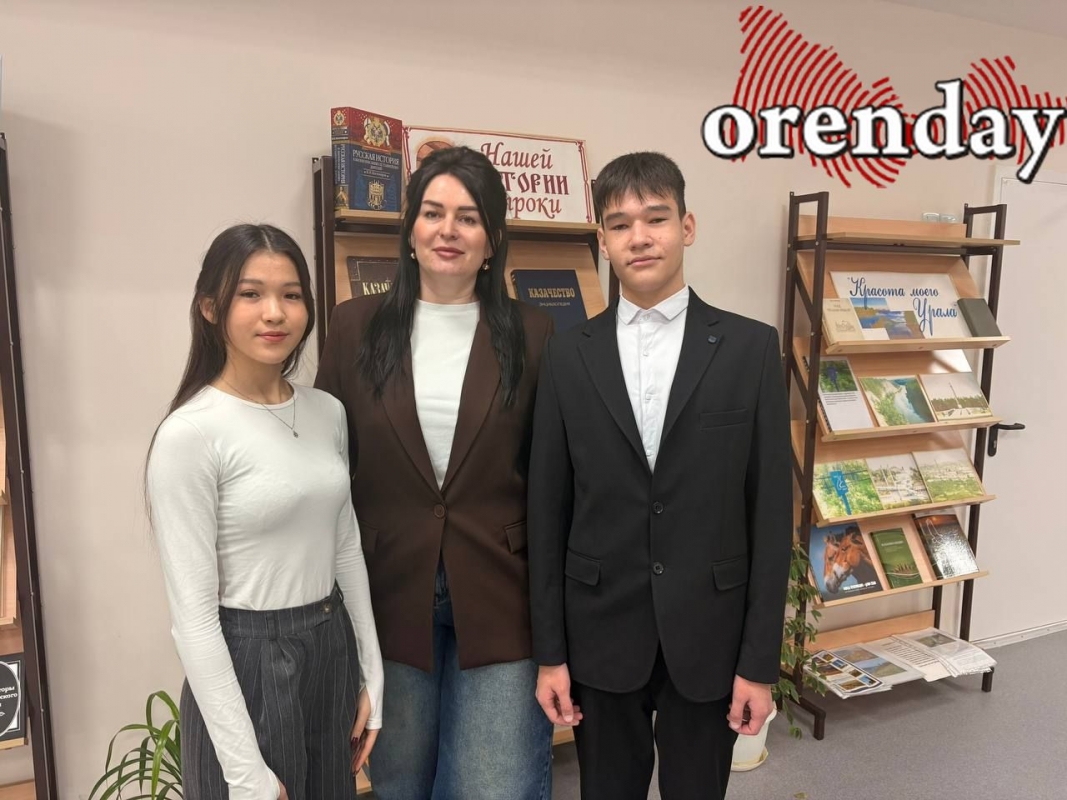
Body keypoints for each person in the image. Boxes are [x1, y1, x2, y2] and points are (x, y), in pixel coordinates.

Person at [528, 152, 792, 800]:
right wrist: (550, 654)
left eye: (656, 218)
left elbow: (769, 515)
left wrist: (759, 664)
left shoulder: (751, 349)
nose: (639, 237)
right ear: (602, 241)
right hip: (599, 636)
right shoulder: (566, 355)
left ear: (687, 226)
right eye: (620, 225)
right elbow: (546, 511)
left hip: (709, 638)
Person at [315, 146, 556, 800]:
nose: (448, 230)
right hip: (387, 590)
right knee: (399, 782)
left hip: (502, 592)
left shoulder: (536, 334)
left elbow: (552, 480)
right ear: (410, 230)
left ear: (492, 240)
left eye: (468, 217)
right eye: (432, 212)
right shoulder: (354, 327)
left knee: (493, 785)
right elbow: (328, 467)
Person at [146, 224, 384, 800]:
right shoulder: (190, 434)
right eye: (250, 294)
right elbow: (194, 621)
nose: (274, 312)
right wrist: (244, 772)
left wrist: (370, 672)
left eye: (291, 294)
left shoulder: (328, 412)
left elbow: (344, 547)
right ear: (211, 307)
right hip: (246, 660)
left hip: (329, 643)